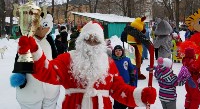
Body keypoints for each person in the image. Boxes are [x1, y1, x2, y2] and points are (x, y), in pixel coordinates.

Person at [17, 21, 157, 109]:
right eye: (87, 38)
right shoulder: (68, 59)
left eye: (95, 39)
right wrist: (35, 51)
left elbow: (120, 90)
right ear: (80, 40)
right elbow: (47, 72)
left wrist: (140, 96)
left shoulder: (108, 64)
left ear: (101, 43)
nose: (91, 42)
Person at [11, 13, 60, 109]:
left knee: (50, 103)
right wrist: (20, 75)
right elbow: (20, 58)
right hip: (30, 83)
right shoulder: (27, 40)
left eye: (45, 25)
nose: (41, 28)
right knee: (31, 103)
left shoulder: (49, 40)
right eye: (37, 25)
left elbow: (55, 57)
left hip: (50, 85)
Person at [112, 45, 138, 109]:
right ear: (114, 52)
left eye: (120, 50)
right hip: (117, 86)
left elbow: (131, 69)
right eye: (116, 51)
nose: (118, 52)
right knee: (117, 101)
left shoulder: (127, 60)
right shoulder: (112, 61)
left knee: (125, 100)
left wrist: (132, 76)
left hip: (126, 84)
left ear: (122, 51)